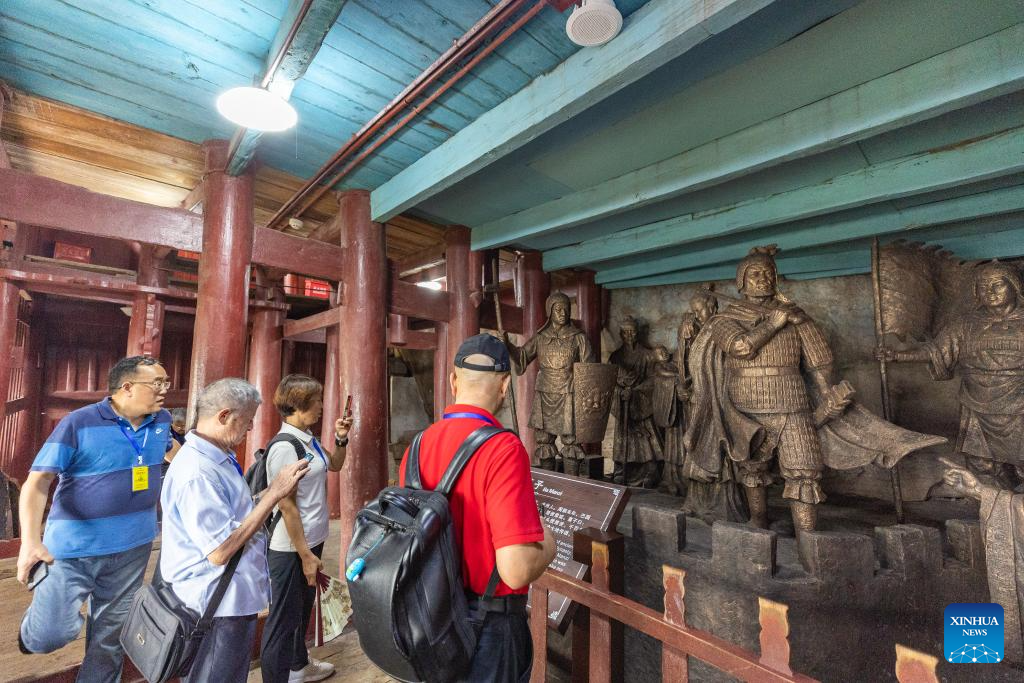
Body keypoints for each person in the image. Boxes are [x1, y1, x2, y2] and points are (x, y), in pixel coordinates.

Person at [399, 333, 556, 682]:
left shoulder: (417, 446)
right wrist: (549, 543)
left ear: (453, 381)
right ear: (504, 386)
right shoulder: (503, 449)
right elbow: (514, 569)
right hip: (488, 625)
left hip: (430, 618)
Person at [17, 356, 173, 682]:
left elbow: (174, 452)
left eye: (166, 384)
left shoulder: (162, 420)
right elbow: (37, 482)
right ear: (126, 388)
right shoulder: (79, 422)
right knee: (50, 634)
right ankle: (39, 625)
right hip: (74, 548)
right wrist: (29, 543)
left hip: (133, 548)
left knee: (110, 640)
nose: (163, 391)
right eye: (156, 384)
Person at [161, 378, 309, 682]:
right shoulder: (198, 472)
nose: (251, 427)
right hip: (215, 604)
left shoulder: (217, 456)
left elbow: (232, 515)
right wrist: (273, 495)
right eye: (248, 419)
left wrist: (263, 495)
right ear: (224, 416)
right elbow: (219, 551)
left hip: (230, 598)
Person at [877, 261, 1024, 488]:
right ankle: (994, 514)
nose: (990, 292)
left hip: (1018, 403)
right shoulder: (966, 324)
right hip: (977, 404)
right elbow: (936, 351)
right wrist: (897, 356)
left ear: (1014, 286)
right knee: (982, 464)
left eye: (997, 285)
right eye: (983, 287)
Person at [261, 374, 352, 683]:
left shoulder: (307, 439)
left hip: (311, 539)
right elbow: (287, 506)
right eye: (316, 402)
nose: (322, 408)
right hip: (290, 547)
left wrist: (341, 437)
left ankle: (299, 666)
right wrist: (304, 555)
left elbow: (335, 464)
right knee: (283, 620)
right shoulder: (286, 446)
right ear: (299, 406)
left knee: (300, 611)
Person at [503, 291, 596, 474]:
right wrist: (507, 345)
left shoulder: (579, 338)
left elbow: (590, 371)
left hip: (569, 392)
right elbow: (522, 356)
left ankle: (570, 484)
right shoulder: (541, 338)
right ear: (550, 312)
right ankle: (550, 483)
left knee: (572, 439)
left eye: (566, 309)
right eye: (558, 309)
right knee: (544, 439)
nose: (562, 313)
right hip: (545, 392)